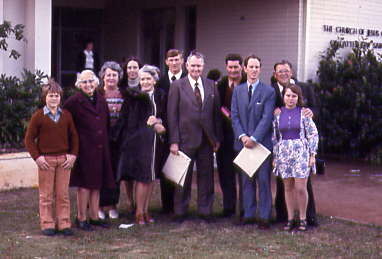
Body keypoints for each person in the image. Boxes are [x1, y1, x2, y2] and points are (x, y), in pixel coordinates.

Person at [167, 51, 222, 223]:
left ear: (203, 66)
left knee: (206, 177)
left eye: (199, 65)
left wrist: (216, 139)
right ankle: (180, 211)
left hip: (206, 140)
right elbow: (172, 114)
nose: (196, 68)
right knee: (183, 177)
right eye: (193, 65)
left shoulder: (211, 85)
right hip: (184, 139)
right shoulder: (177, 86)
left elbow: (216, 115)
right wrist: (174, 140)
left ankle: (205, 210)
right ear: (187, 66)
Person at [24, 79, 79, 236]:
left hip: (64, 160)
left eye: (56, 96)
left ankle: (63, 223)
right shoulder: (38, 116)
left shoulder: (66, 115)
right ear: (44, 98)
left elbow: (74, 137)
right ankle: (47, 223)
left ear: (60, 98)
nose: (54, 99)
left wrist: (73, 155)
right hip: (46, 161)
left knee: (63, 194)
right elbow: (28, 140)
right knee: (46, 195)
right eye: (50, 96)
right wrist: (37, 157)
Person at [115, 65, 167, 225]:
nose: (145, 82)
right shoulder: (134, 97)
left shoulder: (160, 95)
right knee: (142, 177)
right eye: (142, 79)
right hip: (138, 141)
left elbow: (164, 115)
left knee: (151, 178)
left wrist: (158, 122)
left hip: (156, 141)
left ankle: (146, 210)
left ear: (154, 80)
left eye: (148, 78)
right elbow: (128, 120)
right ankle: (138, 212)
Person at [64, 70, 115, 231]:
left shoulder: (101, 100)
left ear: (96, 83)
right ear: (79, 85)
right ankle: (81, 217)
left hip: (101, 149)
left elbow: (106, 124)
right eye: (84, 82)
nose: (88, 85)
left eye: (90, 81)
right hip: (84, 150)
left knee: (97, 184)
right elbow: (65, 123)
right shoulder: (73, 102)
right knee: (84, 185)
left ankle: (94, 217)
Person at [272, 60, 319, 226]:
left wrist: (312, 154)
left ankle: (305, 218)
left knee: (302, 187)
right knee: (286, 188)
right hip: (284, 152)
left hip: (301, 152)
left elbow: (313, 132)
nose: (290, 98)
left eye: (286, 70)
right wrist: (275, 156)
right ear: (275, 73)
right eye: (280, 71)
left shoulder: (304, 108)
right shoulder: (276, 109)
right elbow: (275, 137)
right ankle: (288, 218)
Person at [231, 54, 275, 229]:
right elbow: (234, 116)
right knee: (246, 181)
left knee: (263, 181)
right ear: (245, 68)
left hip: (261, 144)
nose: (254, 70)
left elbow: (267, 118)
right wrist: (242, 136)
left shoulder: (268, 92)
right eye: (251, 66)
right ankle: (248, 214)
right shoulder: (238, 90)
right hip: (243, 144)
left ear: (260, 69)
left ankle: (264, 216)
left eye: (257, 67)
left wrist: (254, 138)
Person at [157, 49, 187, 214]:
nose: (174, 63)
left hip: (184, 131)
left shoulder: (187, 80)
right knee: (166, 169)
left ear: (182, 61)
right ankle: (167, 206)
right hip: (165, 132)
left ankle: (180, 205)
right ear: (166, 62)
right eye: (171, 60)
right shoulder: (160, 82)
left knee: (182, 170)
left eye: (177, 59)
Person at [216, 54, 246, 217]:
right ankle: (228, 207)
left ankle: (243, 209)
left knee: (243, 175)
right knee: (225, 174)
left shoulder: (249, 84)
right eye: (230, 67)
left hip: (243, 137)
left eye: (236, 67)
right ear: (226, 67)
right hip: (224, 138)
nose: (233, 70)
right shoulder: (219, 86)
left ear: (241, 67)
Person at [97, 61, 124, 220]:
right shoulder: (98, 93)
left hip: (118, 140)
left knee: (115, 174)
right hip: (101, 139)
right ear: (103, 77)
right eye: (108, 75)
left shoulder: (124, 94)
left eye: (114, 75)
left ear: (119, 77)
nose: (111, 78)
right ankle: (100, 206)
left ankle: (113, 205)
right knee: (101, 174)